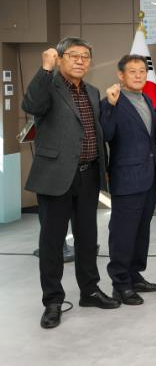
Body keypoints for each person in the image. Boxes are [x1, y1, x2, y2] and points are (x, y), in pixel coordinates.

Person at [23, 38, 119, 329]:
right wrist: (45, 68)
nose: (80, 61)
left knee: (87, 238)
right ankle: (53, 301)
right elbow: (31, 105)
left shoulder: (92, 90)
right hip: (56, 175)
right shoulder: (48, 85)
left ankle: (90, 291)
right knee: (52, 241)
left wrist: (103, 169)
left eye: (85, 56)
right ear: (60, 58)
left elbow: (95, 132)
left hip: (88, 175)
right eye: (74, 55)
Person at [101, 54, 156, 306]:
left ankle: (135, 276)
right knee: (123, 233)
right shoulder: (113, 100)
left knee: (141, 232)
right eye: (132, 71)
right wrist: (110, 106)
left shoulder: (146, 99)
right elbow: (106, 134)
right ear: (121, 75)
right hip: (127, 178)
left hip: (149, 176)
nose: (139, 75)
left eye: (142, 71)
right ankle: (120, 284)